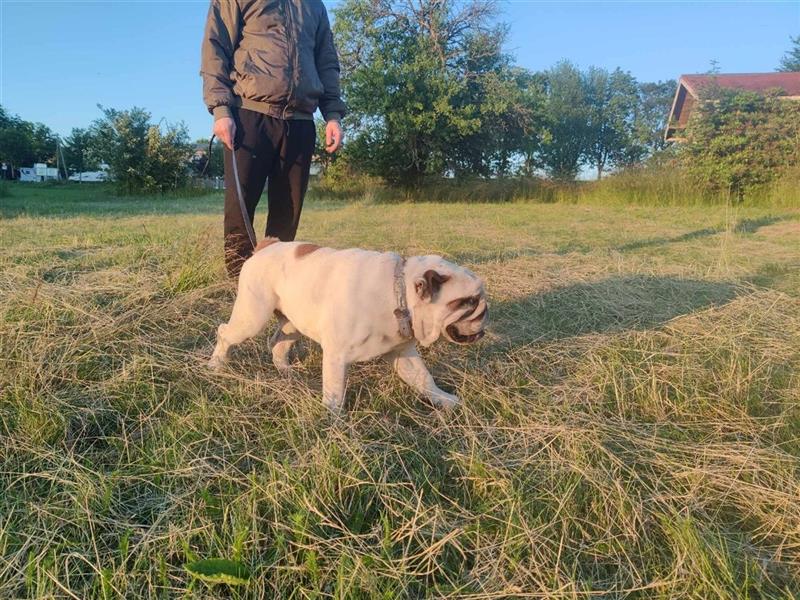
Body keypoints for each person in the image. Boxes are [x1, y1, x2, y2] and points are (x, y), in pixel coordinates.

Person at [200, 0, 346, 278]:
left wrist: (333, 115)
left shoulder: (314, 6)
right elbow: (215, 45)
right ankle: (241, 282)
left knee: (288, 210)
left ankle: (276, 281)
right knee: (240, 209)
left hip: (301, 120)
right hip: (249, 115)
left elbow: (326, 60)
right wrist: (221, 110)